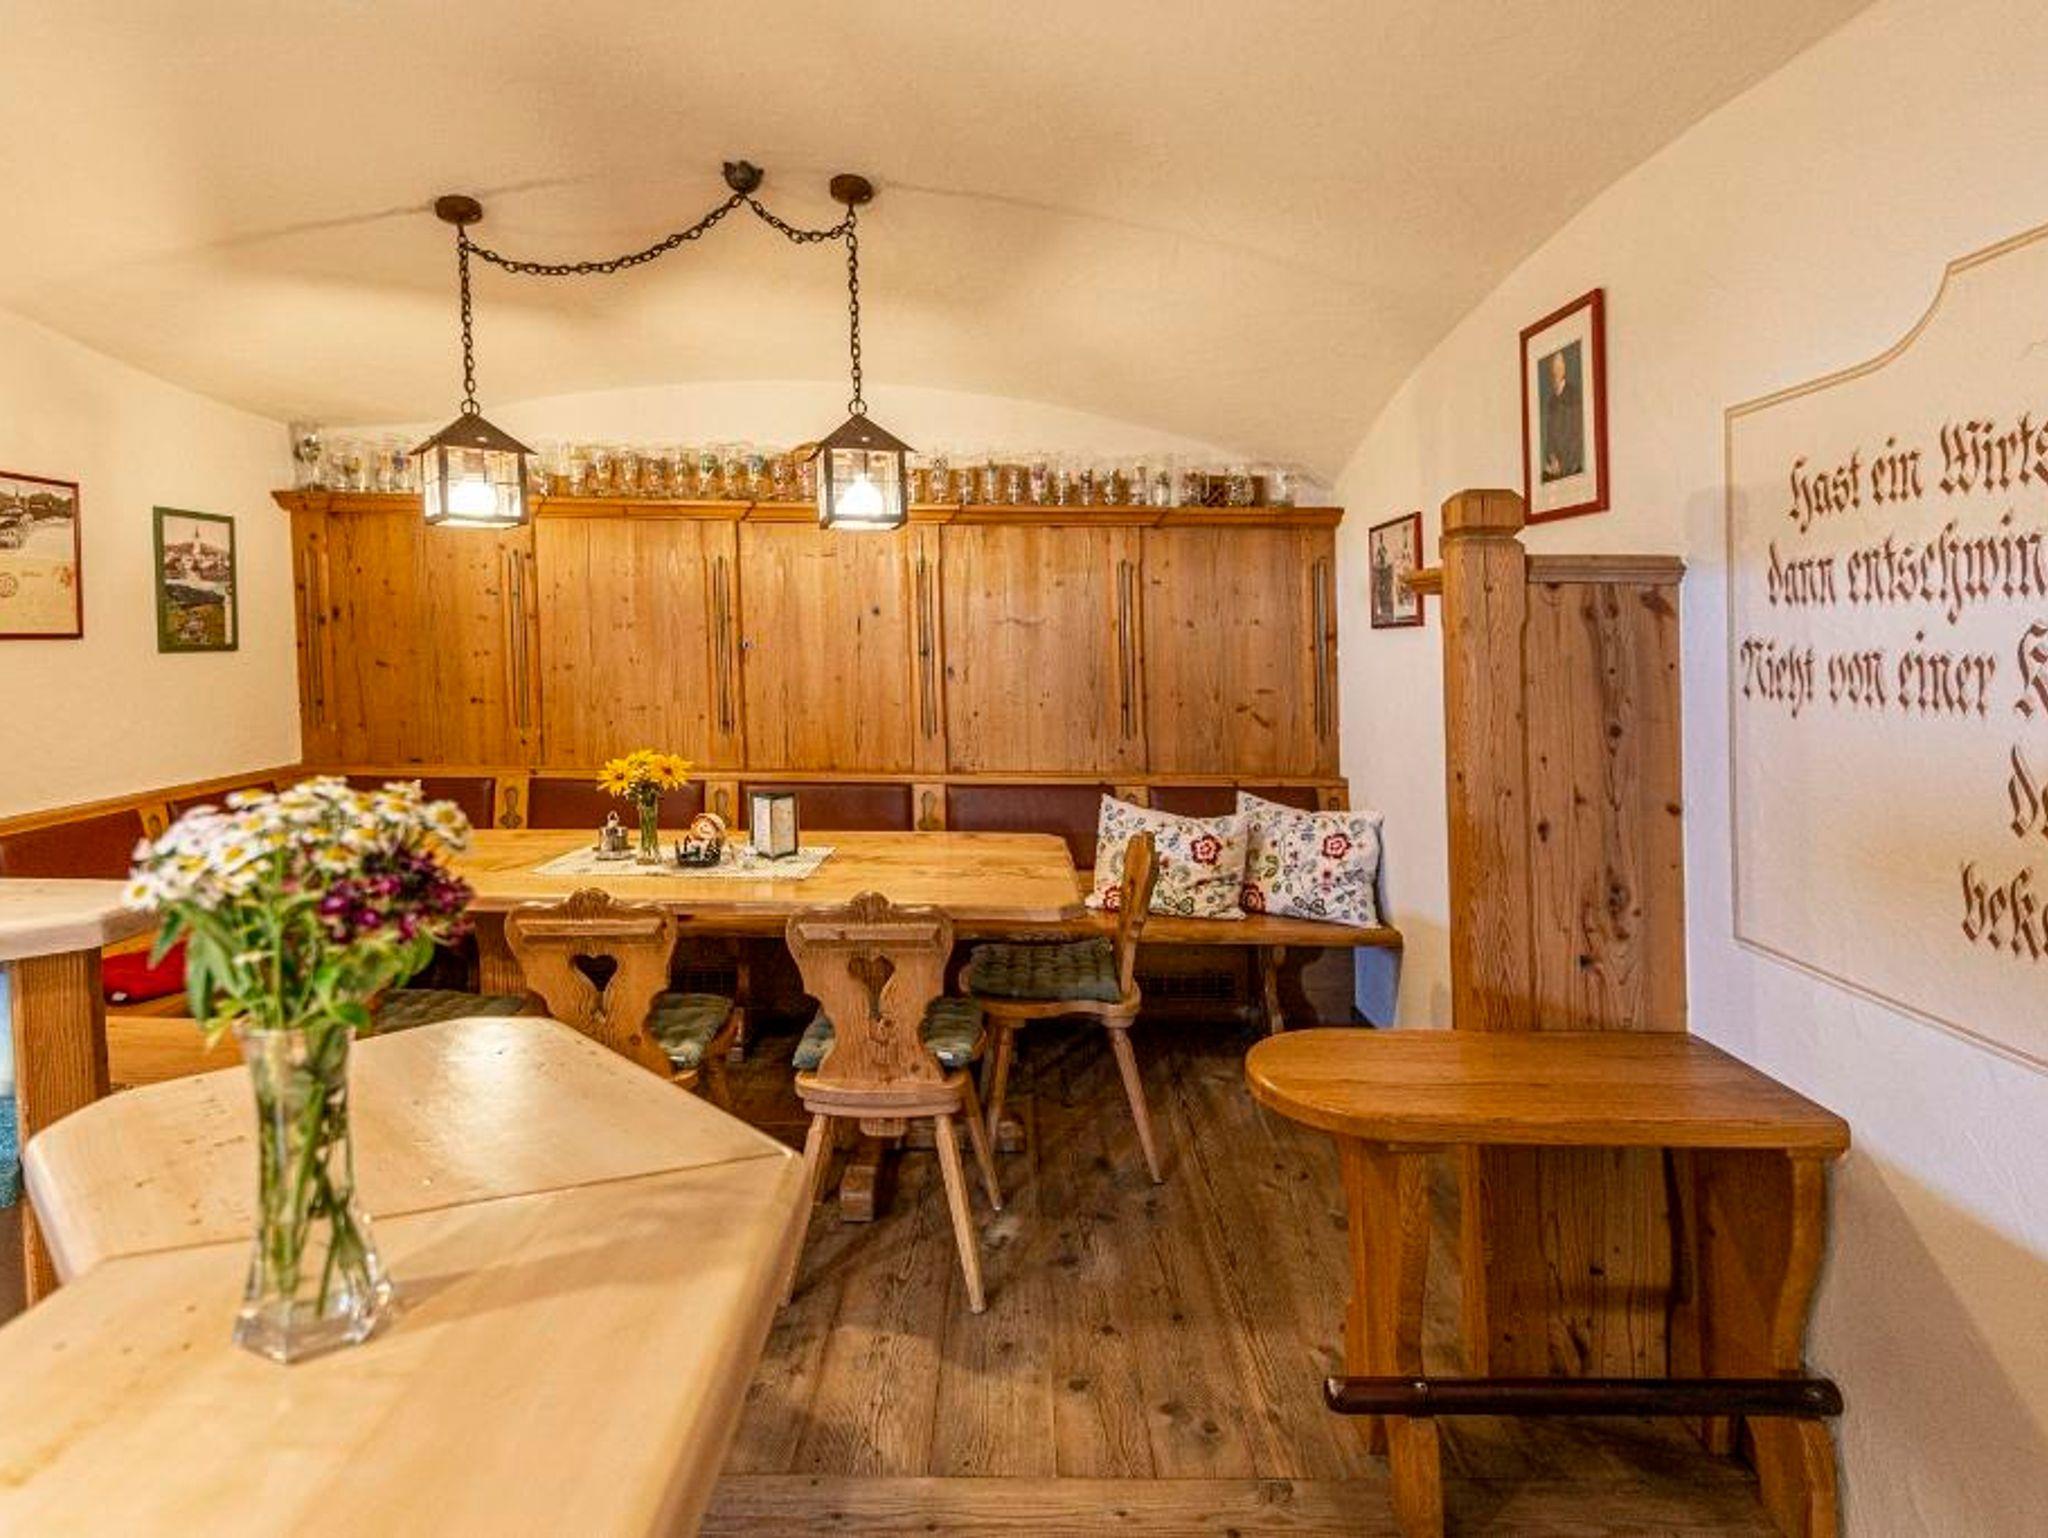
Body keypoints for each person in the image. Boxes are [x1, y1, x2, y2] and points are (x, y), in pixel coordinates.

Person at [1540, 345, 1584, 482]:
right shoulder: (1551, 401)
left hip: (1570, 466)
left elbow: (1576, 436)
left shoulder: (1574, 396)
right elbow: (1549, 437)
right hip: (1555, 466)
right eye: (1553, 368)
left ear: (1564, 369)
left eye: (1558, 367)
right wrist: (1552, 457)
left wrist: (1563, 465)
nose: (1555, 371)